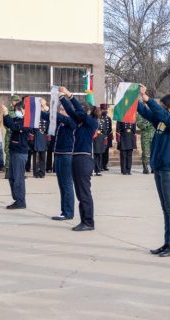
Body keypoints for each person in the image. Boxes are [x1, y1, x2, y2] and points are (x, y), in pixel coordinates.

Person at [137, 85, 170, 257]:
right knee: (165, 207)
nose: (161, 108)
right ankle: (167, 242)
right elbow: (149, 114)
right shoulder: (163, 120)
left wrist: (148, 99)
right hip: (158, 166)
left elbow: (161, 114)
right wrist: (133, 100)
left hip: (169, 167)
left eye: (163, 105)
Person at [58, 87, 98, 231]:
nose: (77, 113)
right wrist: (62, 97)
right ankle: (84, 221)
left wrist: (70, 95)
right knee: (80, 193)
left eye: (81, 110)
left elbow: (78, 111)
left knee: (84, 192)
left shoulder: (91, 122)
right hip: (77, 158)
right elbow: (70, 111)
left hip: (84, 159)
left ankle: (88, 222)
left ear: (87, 111)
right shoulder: (81, 122)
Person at [3, 97, 31, 209]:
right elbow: (9, 124)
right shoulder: (18, 120)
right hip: (14, 151)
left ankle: (20, 201)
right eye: (15, 110)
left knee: (18, 178)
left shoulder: (26, 121)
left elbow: (14, 127)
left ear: (24, 110)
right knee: (11, 177)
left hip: (20, 153)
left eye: (18, 110)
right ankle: (17, 199)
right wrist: (4, 115)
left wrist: (6, 114)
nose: (16, 112)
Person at [51, 103, 77, 221]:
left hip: (67, 156)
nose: (61, 111)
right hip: (59, 154)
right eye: (60, 109)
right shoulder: (61, 123)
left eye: (63, 109)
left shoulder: (72, 121)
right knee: (62, 185)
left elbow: (61, 117)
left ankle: (68, 212)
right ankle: (64, 211)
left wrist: (48, 109)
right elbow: (49, 117)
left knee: (67, 185)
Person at [32, 104, 50, 178]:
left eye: (42, 107)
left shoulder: (47, 117)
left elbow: (49, 127)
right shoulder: (35, 117)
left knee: (43, 156)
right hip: (36, 137)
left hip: (44, 138)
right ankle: (36, 172)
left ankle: (42, 172)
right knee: (36, 156)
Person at [93, 109, 107, 176]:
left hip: (100, 140)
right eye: (98, 112)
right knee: (94, 155)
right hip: (95, 139)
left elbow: (104, 131)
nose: (99, 114)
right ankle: (93, 169)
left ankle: (98, 170)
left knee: (100, 155)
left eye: (100, 113)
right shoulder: (93, 120)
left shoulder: (102, 121)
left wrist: (104, 138)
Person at [100, 104, 113, 171]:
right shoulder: (99, 118)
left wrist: (110, 138)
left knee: (106, 152)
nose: (105, 111)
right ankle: (101, 165)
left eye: (106, 109)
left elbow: (110, 128)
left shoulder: (108, 118)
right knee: (102, 151)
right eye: (104, 109)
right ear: (101, 110)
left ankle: (105, 165)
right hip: (101, 137)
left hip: (107, 138)